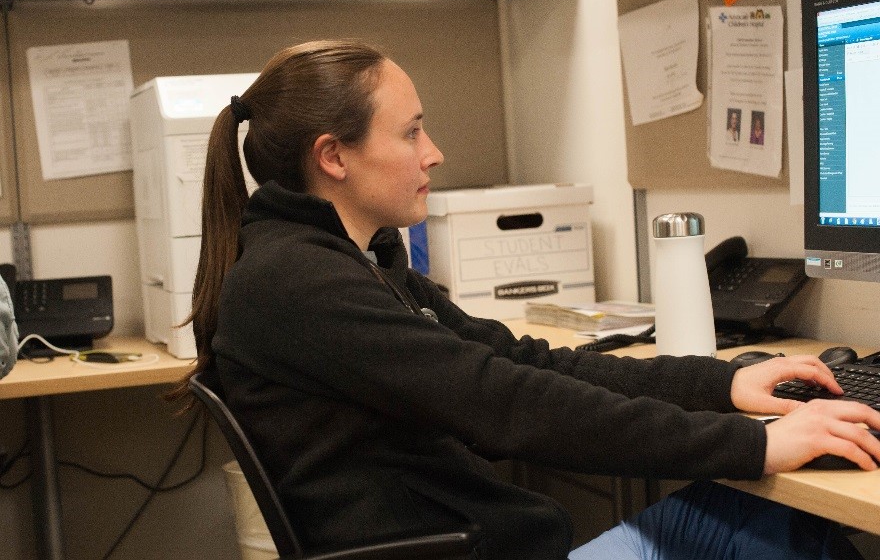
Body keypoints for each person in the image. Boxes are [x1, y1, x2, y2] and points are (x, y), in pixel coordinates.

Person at [175, 40, 880, 559]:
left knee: (774, 523)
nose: (434, 152)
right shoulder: (299, 285)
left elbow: (522, 361)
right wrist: (753, 443)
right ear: (335, 157)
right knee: (781, 532)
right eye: (412, 131)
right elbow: (508, 404)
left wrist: (721, 383)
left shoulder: (353, 264)